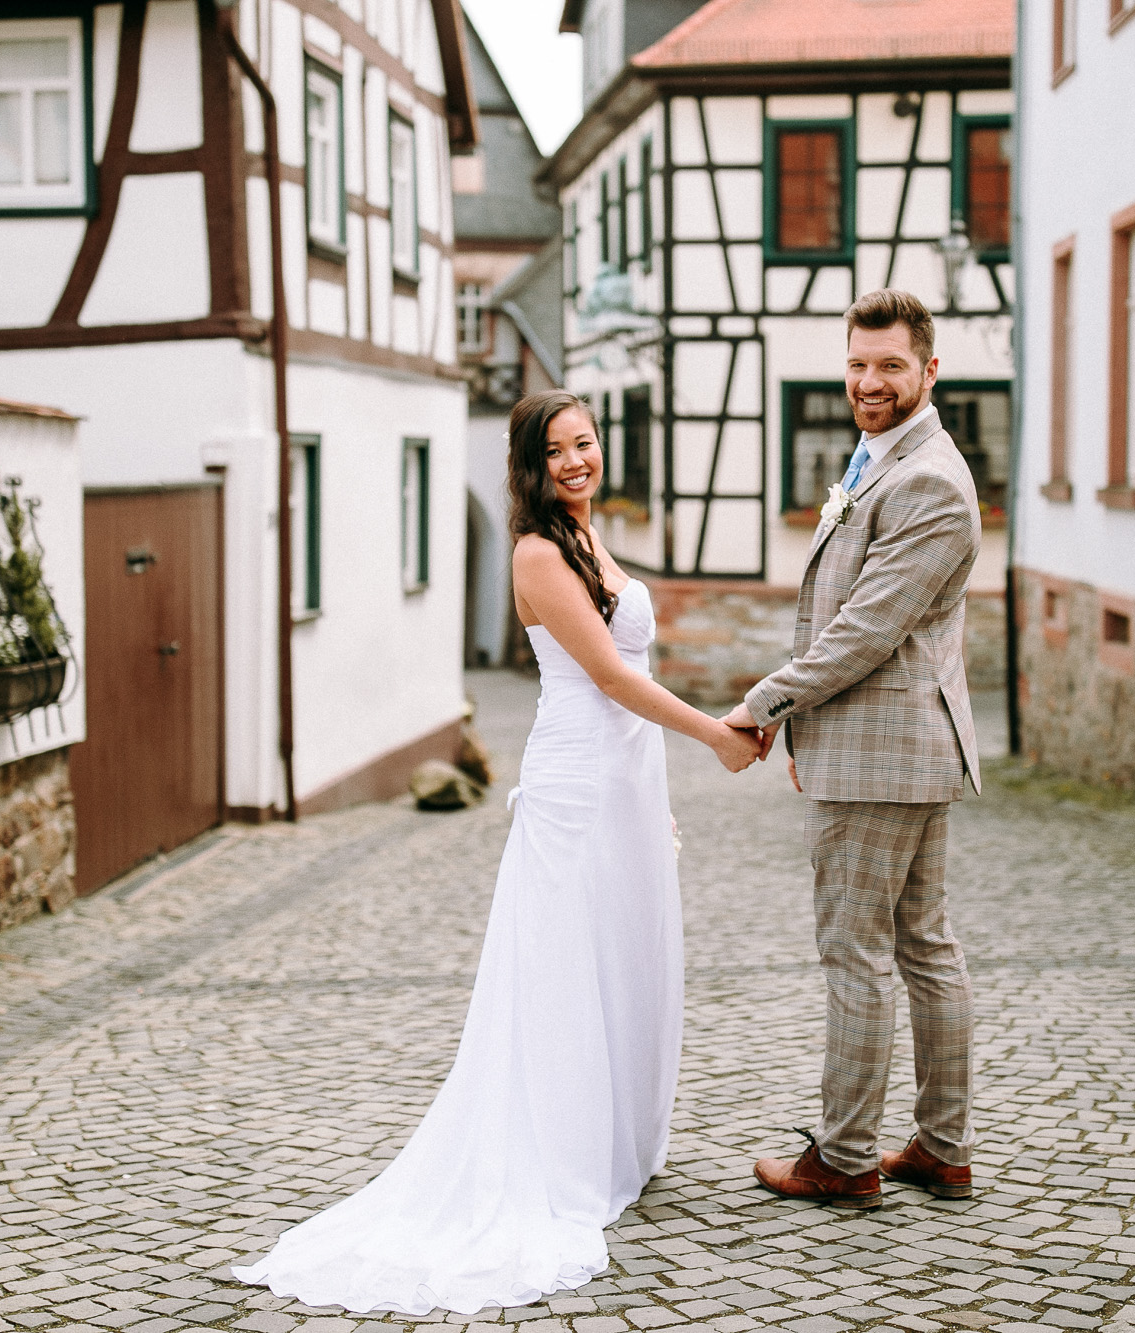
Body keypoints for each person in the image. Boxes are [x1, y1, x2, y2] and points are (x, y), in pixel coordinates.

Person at [232, 391, 763, 1316]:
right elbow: (607, 677)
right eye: (555, 450)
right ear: (529, 464)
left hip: (624, 784)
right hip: (576, 783)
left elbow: (625, 690)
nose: (576, 461)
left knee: (626, 955)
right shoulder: (535, 552)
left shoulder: (591, 537)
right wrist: (715, 735)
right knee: (565, 963)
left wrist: (660, 798)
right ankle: (561, 1151)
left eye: (586, 443)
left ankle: (614, 1142)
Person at [722, 289, 981, 1210]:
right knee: (921, 944)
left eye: (891, 367)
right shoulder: (884, 456)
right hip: (890, 745)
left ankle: (844, 1158)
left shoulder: (928, 481)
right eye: (858, 364)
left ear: (929, 371)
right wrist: (807, 725)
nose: (870, 382)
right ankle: (941, 1150)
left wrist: (765, 705)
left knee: (860, 952)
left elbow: (866, 630)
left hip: (888, 754)